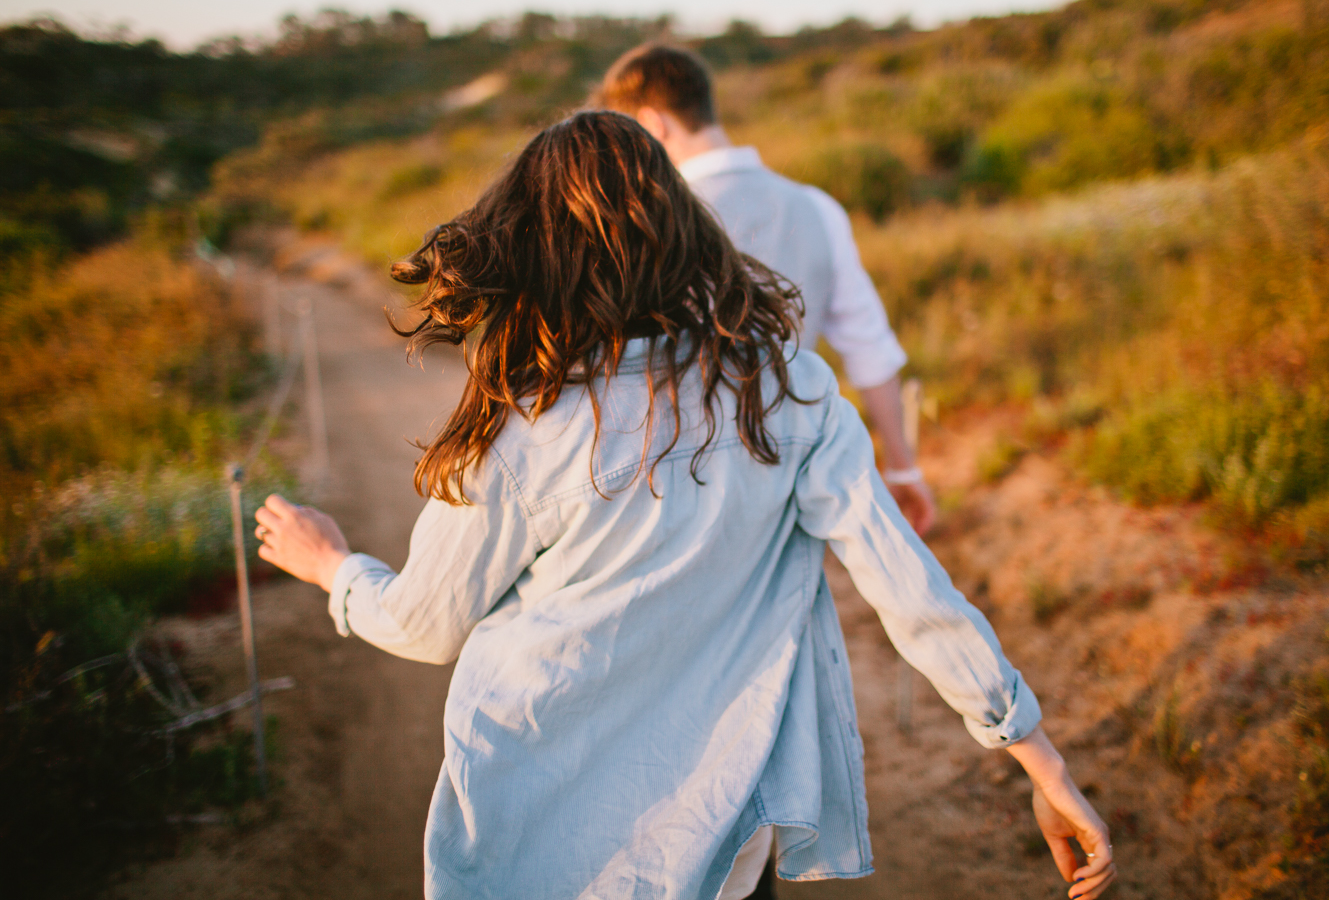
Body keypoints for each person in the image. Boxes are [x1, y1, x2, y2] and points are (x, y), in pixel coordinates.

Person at [254, 112, 1115, 900]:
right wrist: (1042, 765)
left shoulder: (524, 429)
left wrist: (331, 565)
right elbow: (911, 590)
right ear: (679, 229)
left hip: (537, 849)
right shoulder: (790, 393)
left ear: (532, 247)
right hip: (719, 850)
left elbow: (423, 626)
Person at [593, 44, 936, 536]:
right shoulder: (817, 208)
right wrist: (902, 468)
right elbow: (870, 349)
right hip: (791, 478)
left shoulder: (646, 221)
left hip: (677, 491)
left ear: (652, 123)